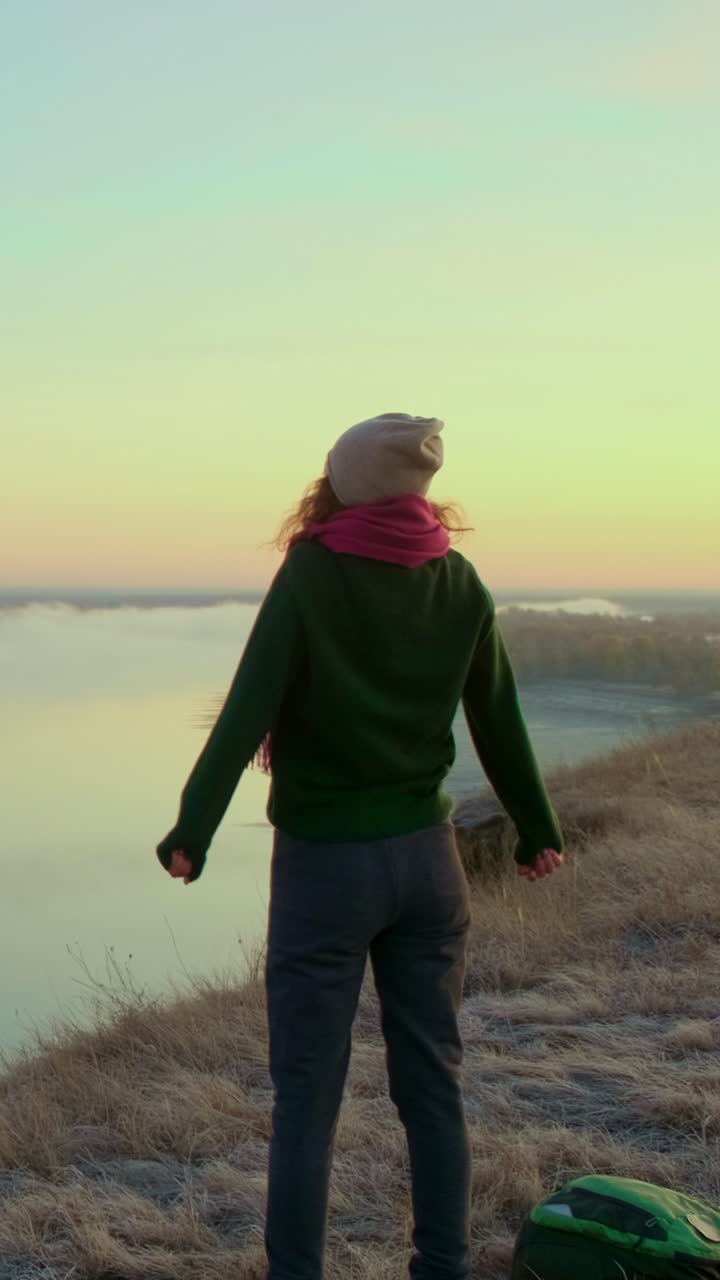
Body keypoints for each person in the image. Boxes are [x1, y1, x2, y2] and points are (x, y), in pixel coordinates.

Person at [156, 412, 565, 1280]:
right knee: (434, 1085)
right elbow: (498, 717)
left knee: (307, 1097)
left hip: (326, 868)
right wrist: (537, 826)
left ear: (343, 484)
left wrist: (194, 828)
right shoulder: (459, 580)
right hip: (428, 863)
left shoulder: (313, 571)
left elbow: (247, 710)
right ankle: (443, 1267)